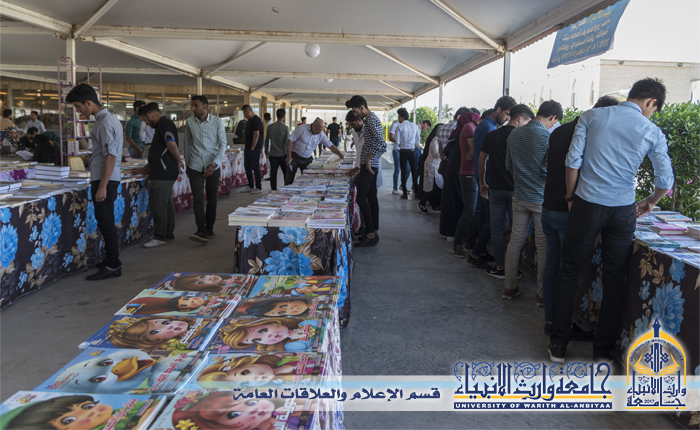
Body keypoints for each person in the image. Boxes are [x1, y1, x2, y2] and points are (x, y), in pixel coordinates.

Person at [549, 78, 674, 363]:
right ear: (651, 102)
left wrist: (570, 197)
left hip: (587, 204)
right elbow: (665, 181)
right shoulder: (651, 130)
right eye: (654, 109)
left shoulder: (592, 116)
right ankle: (602, 351)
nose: (651, 114)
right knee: (615, 280)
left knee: (569, 272)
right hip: (623, 211)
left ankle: (558, 345)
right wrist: (651, 201)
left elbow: (573, 161)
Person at [541, 96, 619, 335]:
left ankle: (551, 320)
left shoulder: (558, 130)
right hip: (570, 209)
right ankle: (563, 326)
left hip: (549, 206)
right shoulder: (590, 134)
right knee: (569, 271)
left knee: (553, 265)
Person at [503, 100, 563, 302]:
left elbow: (509, 165)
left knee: (515, 241)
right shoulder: (547, 137)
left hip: (519, 196)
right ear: (553, 118)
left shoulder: (514, 134)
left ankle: (509, 287)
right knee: (543, 246)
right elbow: (549, 170)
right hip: (540, 199)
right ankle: (541, 294)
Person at [66, 84, 123, 281]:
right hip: (105, 177)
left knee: (105, 222)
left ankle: (113, 265)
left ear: (89, 103)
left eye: (78, 106)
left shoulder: (105, 123)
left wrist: (102, 186)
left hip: (104, 179)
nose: (78, 111)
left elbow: (110, 156)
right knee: (104, 220)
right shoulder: (106, 120)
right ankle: (110, 259)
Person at [478, 104, 534, 278]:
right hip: (516, 190)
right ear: (520, 118)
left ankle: (500, 267)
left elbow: (481, 161)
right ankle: (512, 269)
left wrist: (482, 182)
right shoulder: (523, 137)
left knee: (496, 228)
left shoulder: (492, 135)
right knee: (517, 231)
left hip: (495, 188)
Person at [467, 96, 517, 266]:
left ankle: (480, 250)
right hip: (488, 177)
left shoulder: (484, 125)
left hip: (482, 175)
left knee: (485, 216)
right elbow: (486, 159)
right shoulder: (490, 129)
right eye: (507, 114)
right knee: (492, 220)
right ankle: (475, 253)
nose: (508, 118)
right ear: (499, 109)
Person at [132, 102, 183, 249]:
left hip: (163, 172)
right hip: (161, 170)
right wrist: (144, 169)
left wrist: (178, 162)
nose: (146, 124)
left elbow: (171, 145)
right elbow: (158, 153)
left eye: (145, 120)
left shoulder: (164, 124)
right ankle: (167, 233)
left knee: (158, 205)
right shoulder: (161, 126)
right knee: (166, 203)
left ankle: (160, 236)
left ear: (149, 115)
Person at [184, 95, 227, 243]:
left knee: (212, 199)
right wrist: (188, 164)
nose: (193, 109)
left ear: (205, 106)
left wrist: (214, 164)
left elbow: (222, 144)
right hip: (195, 165)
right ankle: (201, 230)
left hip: (212, 166)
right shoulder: (190, 122)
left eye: (196, 106)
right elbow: (187, 143)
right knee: (197, 199)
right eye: (192, 106)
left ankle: (209, 228)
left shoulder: (217, 122)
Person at [346, 95, 386, 247]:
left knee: (361, 198)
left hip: (369, 165)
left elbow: (381, 143)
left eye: (356, 111)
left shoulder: (371, 120)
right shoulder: (370, 119)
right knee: (371, 198)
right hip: (368, 164)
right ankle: (373, 231)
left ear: (362, 108)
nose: (355, 114)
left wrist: (368, 159)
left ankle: (370, 233)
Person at [440, 111, 480, 239]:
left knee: (452, 203)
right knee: (463, 206)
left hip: (451, 173)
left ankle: (450, 233)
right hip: (460, 174)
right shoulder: (464, 137)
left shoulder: (455, 135)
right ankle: (459, 236)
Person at [451, 112, 481, 255]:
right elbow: (476, 149)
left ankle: (470, 241)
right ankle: (457, 244)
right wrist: (476, 150)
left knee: (475, 211)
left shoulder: (472, 128)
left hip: (475, 174)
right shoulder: (469, 127)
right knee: (470, 210)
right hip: (469, 174)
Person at [285, 118, 344, 184]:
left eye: (322, 130)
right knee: (289, 178)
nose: (320, 132)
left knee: (307, 180)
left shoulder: (321, 134)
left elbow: (330, 146)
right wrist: (288, 157)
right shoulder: (301, 128)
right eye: (319, 129)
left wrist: (340, 154)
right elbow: (290, 141)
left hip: (307, 159)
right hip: (294, 157)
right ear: (313, 125)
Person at [394, 109, 421, 199]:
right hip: (412, 151)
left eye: (399, 117)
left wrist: (402, 143)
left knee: (403, 172)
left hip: (403, 151)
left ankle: (405, 193)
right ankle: (416, 192)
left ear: (402, 117)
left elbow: (397, 141)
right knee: (414, 172)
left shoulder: (399, 126)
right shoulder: (414, 126)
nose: (398, 119)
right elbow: (417, 139)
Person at [417, 123, 443, 213]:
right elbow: (436, 154)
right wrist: (445, 153)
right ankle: (422, 203)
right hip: (432, 166)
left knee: (438, 186)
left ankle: (435, 205)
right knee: (431, 187)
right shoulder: (435, 141)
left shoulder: (439, 140)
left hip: (436, 166)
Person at [241, 105, 264, 194]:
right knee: (247, 166)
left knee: (255, 167)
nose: (244, 115)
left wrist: (252, 148)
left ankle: (258, 187)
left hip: (255, 148)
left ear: (248, 111)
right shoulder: (249, 121)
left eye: (244, 113)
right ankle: (251, 185)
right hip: (248, 148)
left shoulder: (256, 120)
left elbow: (256, 135)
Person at [266, 108, 290, 191]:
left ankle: (273, 190)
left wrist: (266, 152)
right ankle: (286, 189)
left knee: (273, 174)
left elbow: (266, 140)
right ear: (283, 116)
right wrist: (289, 155)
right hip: (283, 154)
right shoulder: (285, 128)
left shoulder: (270, 127)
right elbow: (287, 143)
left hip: (272, 154)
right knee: (285, 173)